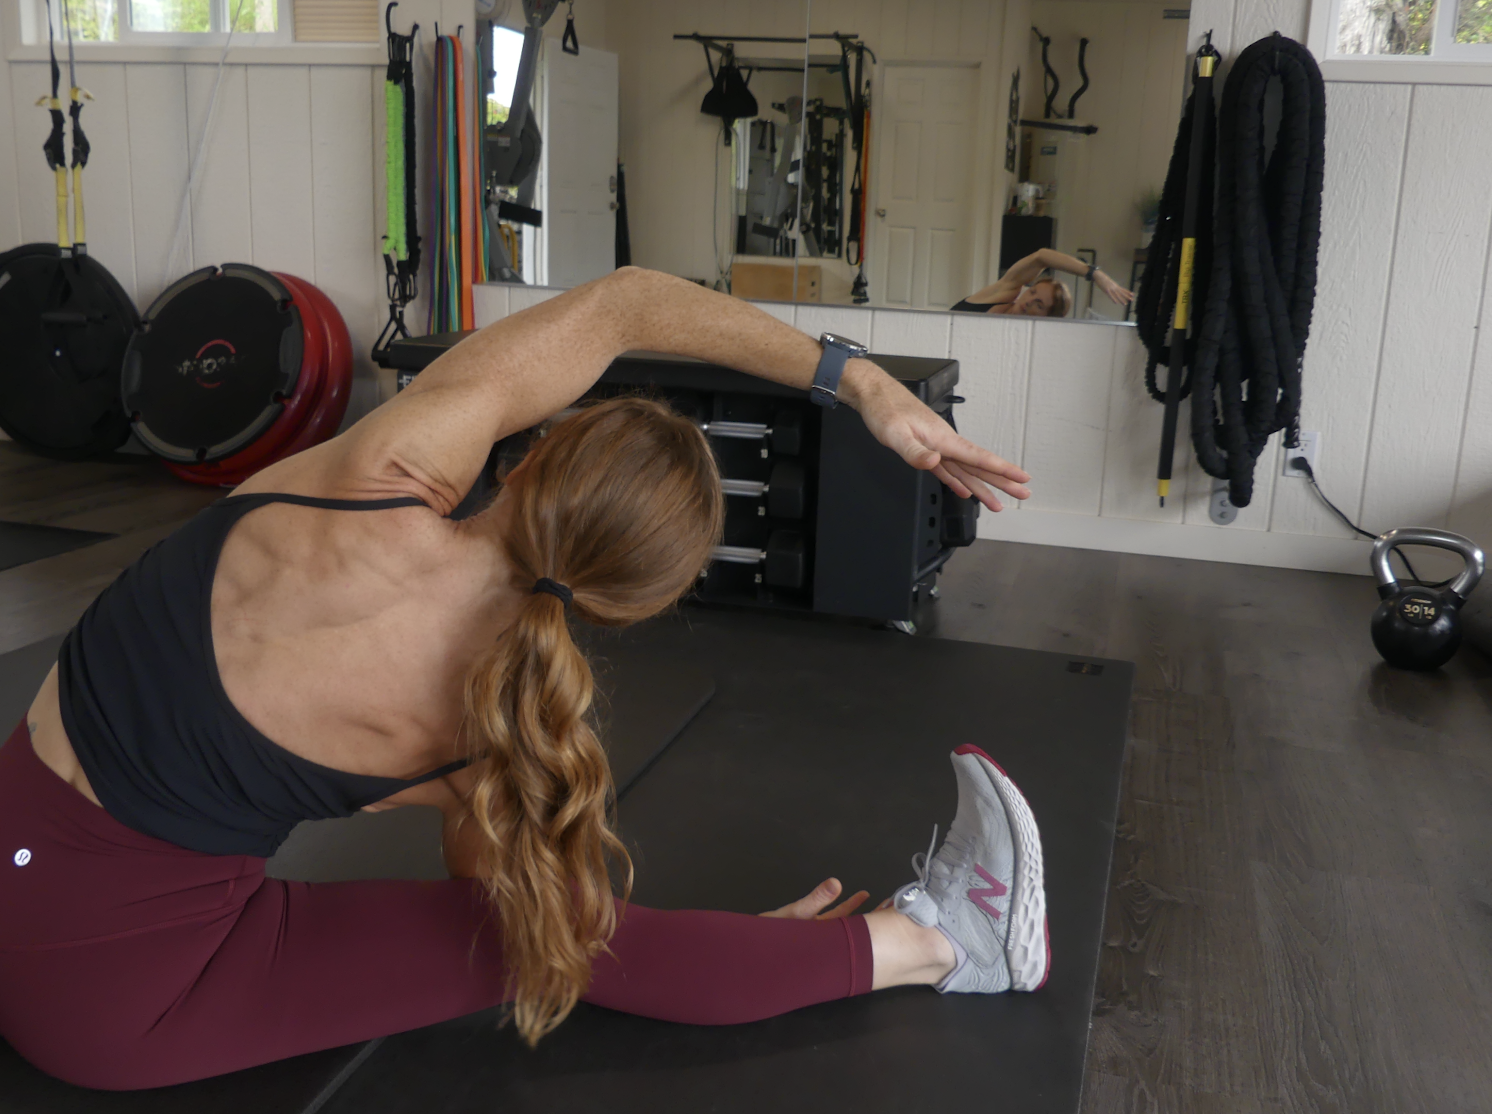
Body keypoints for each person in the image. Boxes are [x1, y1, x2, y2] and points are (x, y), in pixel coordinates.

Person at [0, 267, 1046, 1091]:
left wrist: (860, 384)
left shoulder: (375, 473)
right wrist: (697, 950)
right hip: (105, 999)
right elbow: (545, 928)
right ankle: (944, 943)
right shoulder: (484, 728)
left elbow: (628, 303)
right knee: (547, 937)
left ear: (535, 457)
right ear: (628, 605)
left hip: (15, 844)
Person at [951, 247, 1135, 317]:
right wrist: (1096, 274)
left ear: (1046, 318)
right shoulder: (1002, 294)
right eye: (1032, 293)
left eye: (1039, 305)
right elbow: (1041, 256)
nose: (1028, 301)